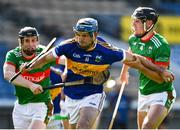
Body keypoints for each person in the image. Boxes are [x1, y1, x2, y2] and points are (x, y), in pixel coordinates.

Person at [24, 18, 174, 129]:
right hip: (70, 97)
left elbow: (137, 59)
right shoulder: (68, 46)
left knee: (83, 127)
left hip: (92, 95)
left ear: (94, 34)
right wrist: (30, 66)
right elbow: (44, 59)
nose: (80, 39)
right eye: (78, 34)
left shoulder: (106, 50)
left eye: (85, 35)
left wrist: (160, 70)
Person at [119, 7, 176, 129]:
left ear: (149, 23)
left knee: (147, 127)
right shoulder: (133, 39)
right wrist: (124, 73)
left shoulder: (161, 45)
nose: (133, 24)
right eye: (133, 20)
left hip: (161, 93)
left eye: (137, 21)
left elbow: (160, 79)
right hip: (143, 92)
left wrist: (140, 66)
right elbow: (130, 53)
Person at [3, 27, 58, 129]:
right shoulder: (13, 55)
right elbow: (8, 74)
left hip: (42, 105)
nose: (31, 44)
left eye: (33, 40)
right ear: (20, 42)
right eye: (27, 41)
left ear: (37, 40)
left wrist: (66, 70)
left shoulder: (44, 52)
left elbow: (64, 60)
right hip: (20, 107)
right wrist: (31, 85)